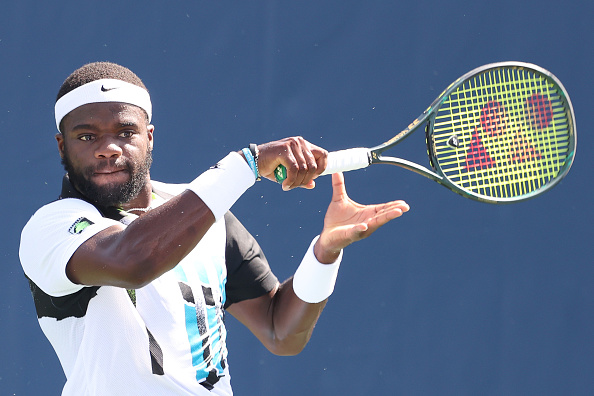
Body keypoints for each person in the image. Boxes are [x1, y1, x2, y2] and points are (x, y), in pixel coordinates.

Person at [19, 62, 410, 395]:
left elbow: (281, 332)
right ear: (61, 146)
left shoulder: (206, 218)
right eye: (87, 136)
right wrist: (247, 164)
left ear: (149, 137)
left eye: (125, 132)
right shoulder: (51, 229)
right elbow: (134, 260)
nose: (108, 148)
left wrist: (325, 252)